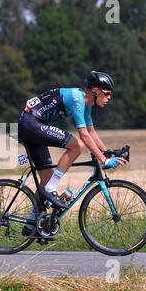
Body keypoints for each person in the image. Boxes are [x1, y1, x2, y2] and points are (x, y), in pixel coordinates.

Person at [18, 71, 126, 235]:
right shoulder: (78, 98)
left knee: (46, 179)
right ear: (96, 91)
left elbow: (91, 132)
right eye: (107, 93)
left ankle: (31, 224)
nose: (109, 97)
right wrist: (103, 160)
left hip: (32, 124)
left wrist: (106, 152)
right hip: (31, 123)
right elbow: (83, 135)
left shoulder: (86, 104)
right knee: (77, 146)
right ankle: (51, 188)